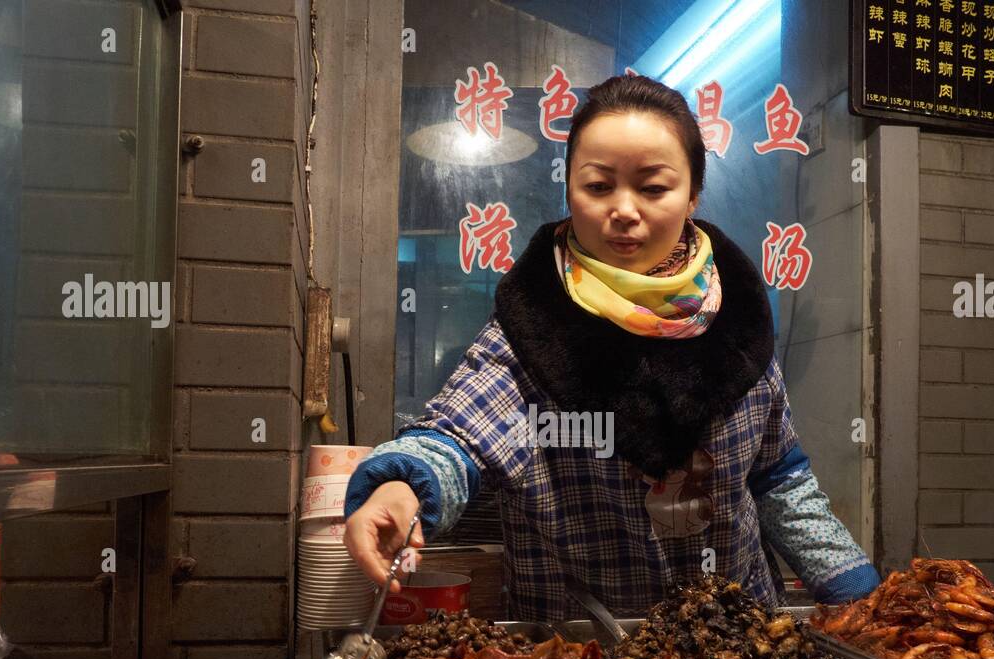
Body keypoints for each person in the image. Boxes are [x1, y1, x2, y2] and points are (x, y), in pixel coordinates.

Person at [343, 74, 880, 621]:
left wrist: (862, 598)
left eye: (652, 188)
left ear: (692, 193)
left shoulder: (735, 317)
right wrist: (403, 489)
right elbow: (458, 437)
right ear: (569, 189)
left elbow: (779, 477)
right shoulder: (533, 322)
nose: (624, 210)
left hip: (736, 648)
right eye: (599, 186)